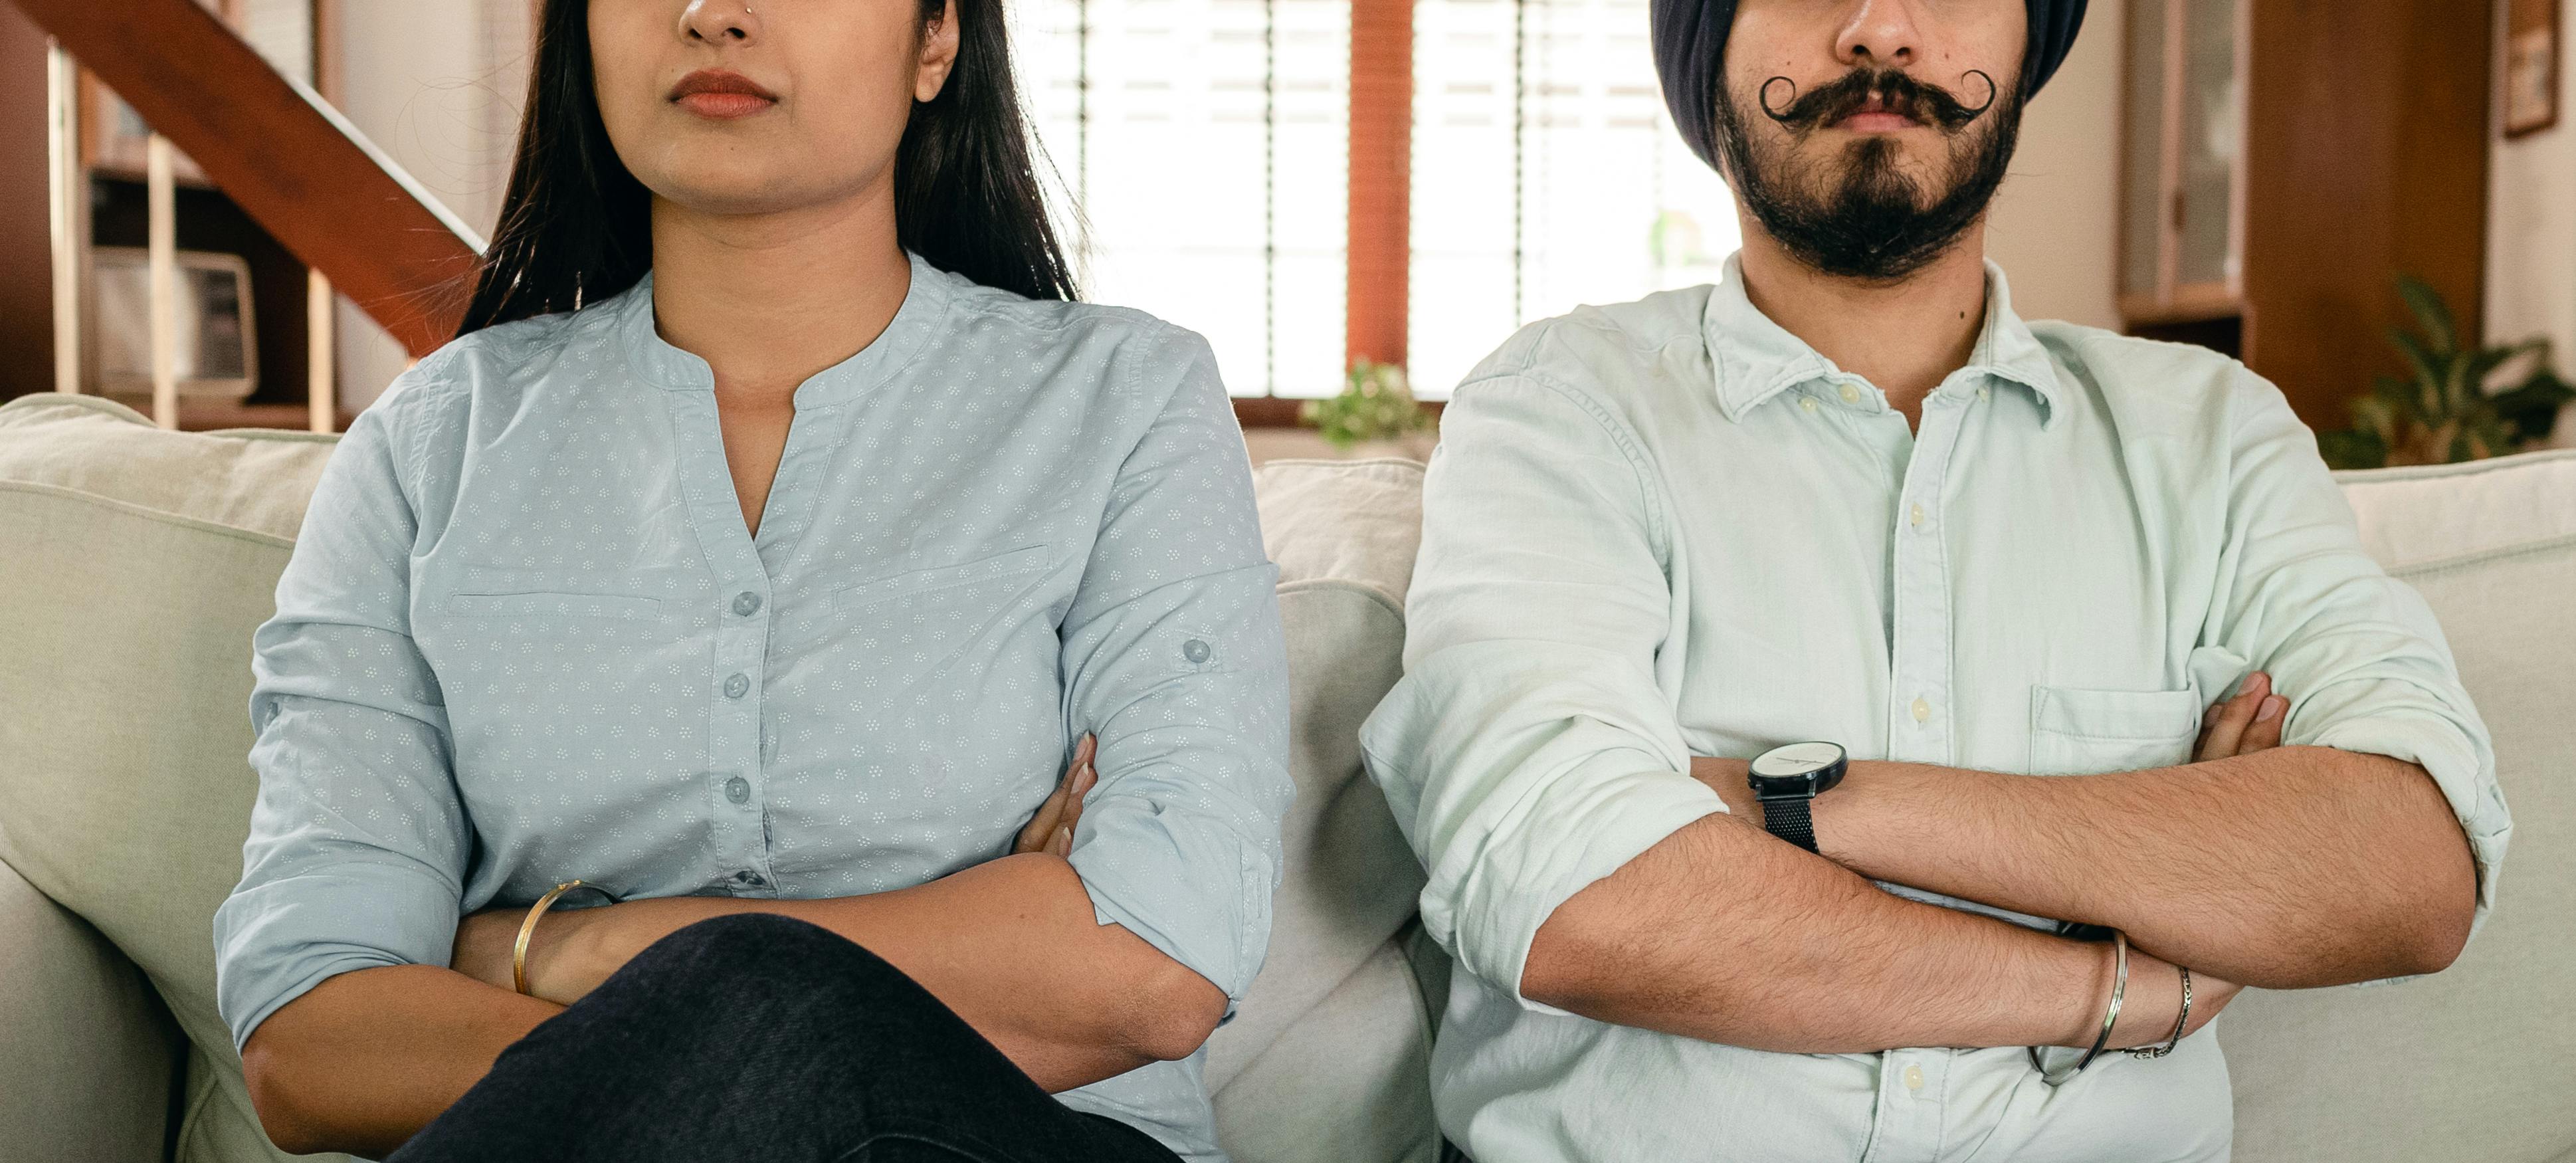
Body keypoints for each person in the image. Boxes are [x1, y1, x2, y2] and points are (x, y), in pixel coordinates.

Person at [1357, 1, 2508, 1159]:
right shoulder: (1560, 409)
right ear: (1709, 41)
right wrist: (2119, 988)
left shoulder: (2211, 435)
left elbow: (2408, 867)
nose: (1880, 30)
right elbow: (1575, 898)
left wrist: (1793, 803)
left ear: (2023, 43)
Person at [211, 1, 1291, 1160]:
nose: (711, 12)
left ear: (936, 40)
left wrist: (568, 949)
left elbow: (1151, 962)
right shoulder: (429, 449)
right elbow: (310, 1035)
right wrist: (772, 1012)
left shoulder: (1125, 402)